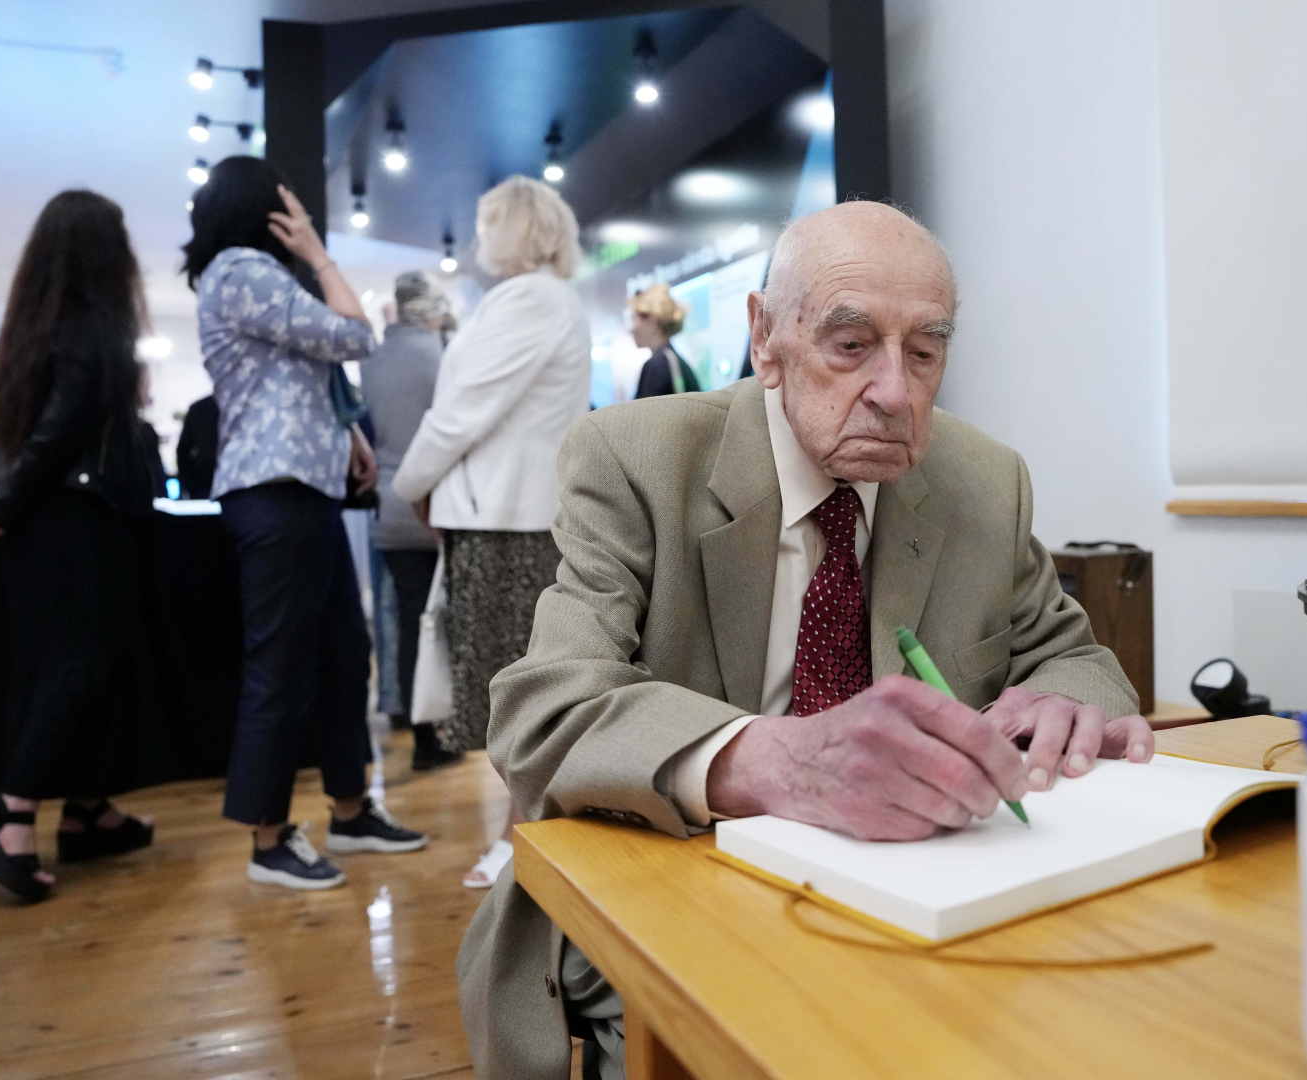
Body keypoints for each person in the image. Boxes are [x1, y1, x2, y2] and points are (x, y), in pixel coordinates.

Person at [454, 202, 1156, 1079]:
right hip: (680, 880)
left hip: (921, 899)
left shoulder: (982, 479)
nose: (894, 393)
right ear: (765, 338)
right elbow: (543, 711)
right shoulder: (636, 459)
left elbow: (1074, 657)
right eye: (850, 345)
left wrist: (1063, 703)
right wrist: (779, 762)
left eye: (925, 353)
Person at [185, 156, 426, 891]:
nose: (300, 216)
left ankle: (349, 811)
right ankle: (268, 840)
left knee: (342, 654)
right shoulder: (241, 269)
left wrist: (346, 433)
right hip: (275, 491)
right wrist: (318, 255)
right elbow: (356, 336)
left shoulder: (246, 277)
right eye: (288, 205)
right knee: (281, 667)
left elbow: (302, 371)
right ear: (266, 212)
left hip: (301, 489)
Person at [394, 175, 591, 890]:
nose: (479, 238)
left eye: (487, 224)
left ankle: (524, 837)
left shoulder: (532, 300)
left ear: (514, 227)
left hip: (509, 519)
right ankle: (523, 832)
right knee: (509, 681)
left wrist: (409, 484)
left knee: (514, 685)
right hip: (501, 514)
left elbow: (463, 411)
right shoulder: (534, 299)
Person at [0, 190, 166, 902]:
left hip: (39, 524)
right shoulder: (94, 329)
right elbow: (63, 426)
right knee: (83, 666)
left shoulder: (29, 330)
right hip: (79, 518)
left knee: (65, 664)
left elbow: (11, 428)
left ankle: (88, 810)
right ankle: (9, 811)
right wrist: (5, 502)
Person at [359, 270, 461, 770]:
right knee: (445, 622)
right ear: (433, 310)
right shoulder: (442, 355)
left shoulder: (372, 359)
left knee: (407, 616)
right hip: (437, 504)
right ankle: (446, 729)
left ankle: (416, 726)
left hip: (389, 504)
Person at [629, 283, 700, 398]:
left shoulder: (658, 365)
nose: (631, 330)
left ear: (651, 319)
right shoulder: (672, 361)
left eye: (634, 320)